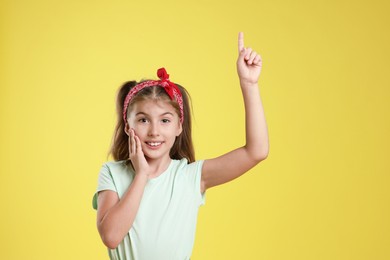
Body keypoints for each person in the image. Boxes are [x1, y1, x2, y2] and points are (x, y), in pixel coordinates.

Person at [92, 32, 269, 260]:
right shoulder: (112, 173)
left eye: (165, 120)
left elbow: (257, 151)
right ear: (128, 126)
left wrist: (249, 84)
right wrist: (141, 175)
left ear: (178, 127)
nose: (154, 131)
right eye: (143, 120)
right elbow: (111, 236)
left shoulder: (190, 177)